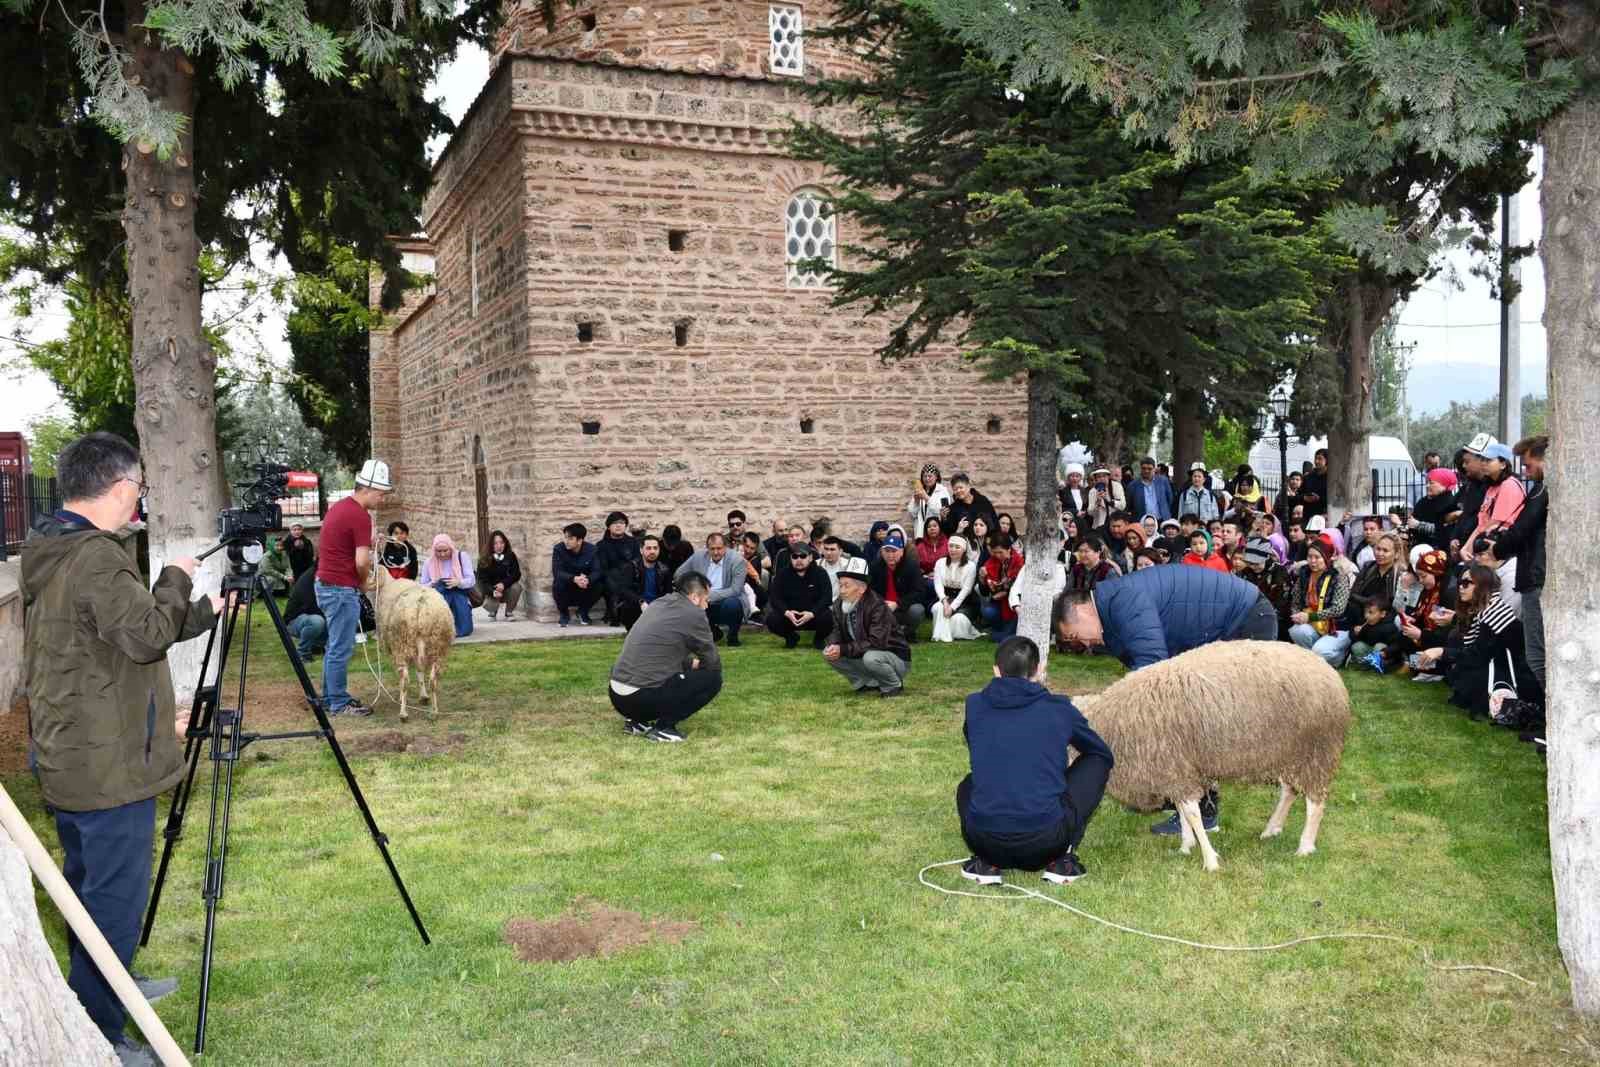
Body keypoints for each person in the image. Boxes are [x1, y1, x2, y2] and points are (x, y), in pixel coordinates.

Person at [21, 432, 225, 1063]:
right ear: (117, 487)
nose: (140, 497)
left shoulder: (53, 548)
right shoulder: (98, 557)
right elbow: (144, 635)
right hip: (106, 764)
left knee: (88, 890)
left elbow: (119, 632)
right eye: (138, 485)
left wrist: (202, 609)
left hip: (69, 752)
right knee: (111, 902)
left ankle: (113, 985)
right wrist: (174, 576)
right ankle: (100, 1034)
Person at [1051, 564, 1277, 835]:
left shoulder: (1123, 602)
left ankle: (1204, 812)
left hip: (1246, 620)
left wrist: (1118, 711)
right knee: (1176, 719)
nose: (1083, 644)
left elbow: (1151, 671)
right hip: (1224, 627)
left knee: (1200, 724)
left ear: (1082, 610)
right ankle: (1170, 795)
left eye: (1076, 636)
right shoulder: (1112, 611)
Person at [956, 637, 1114, 887]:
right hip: (1048, 843)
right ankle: (1063, 859)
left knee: (968, 784)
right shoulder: (1059, 708)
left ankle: (986, 863)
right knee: (1098, 760)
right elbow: (1099, 752)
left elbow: (974, 740)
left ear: (996, 670)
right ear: (1039, 670)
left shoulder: (974, 705)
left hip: (983, 841)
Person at [608, 571, 724, 742]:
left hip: (617, 695)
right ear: (694, 597)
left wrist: (690, 664)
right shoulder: (695, 614)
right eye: (706, 599)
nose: (707, 605)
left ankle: (636, 722)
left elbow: (662, 651)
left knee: (659, 671)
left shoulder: (658, 604)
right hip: (641, 698)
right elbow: (712, 663)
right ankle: (664, 728)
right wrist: (699, 668)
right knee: (713, 679)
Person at [316, 459, 393, 717]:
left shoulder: (341, 508)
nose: (382, 500)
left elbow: (346, 544)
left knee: (334, 645)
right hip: (340, 589)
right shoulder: (360, 516)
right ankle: (338, 702)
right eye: (381, 494)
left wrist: (370, 542)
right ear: (367, 489)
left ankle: (330, 697)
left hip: (327, 584)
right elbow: (361, 561)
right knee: (341, 647)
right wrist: (363, 581)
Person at [1416, 564, 1540, 720]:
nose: (1461, 587)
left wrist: (1441, 652)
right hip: (1502, 667)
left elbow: (1477, 654)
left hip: (1516, 676)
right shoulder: (1490, 608)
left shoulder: (1493, 614)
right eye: (1460, 582)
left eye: (1467, 583)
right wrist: (1454, 619)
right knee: (1458, 665)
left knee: (1464, 673)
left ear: (1482, 586)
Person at [1490, 434, 1548, 686]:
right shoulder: (1542, 490)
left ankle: (1551, 716)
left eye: (1527, 463)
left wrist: (1498, 547)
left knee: (1537, 657)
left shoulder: (1543, 490)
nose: (1525, 470)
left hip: (1535, 578)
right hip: (1534, 576)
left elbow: (1520, 530)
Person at [823, 558, 911, 697]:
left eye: (846, 586)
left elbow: (877, 642)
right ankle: (866, 683)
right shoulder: (839, 604)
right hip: (863, 652)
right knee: (829, 653)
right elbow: (835, 630)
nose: (842, 591)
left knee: (871, 658)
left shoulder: (877, 606)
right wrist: (834, 645)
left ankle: (892, 685)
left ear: (862, 588)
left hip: (894, 657)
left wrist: (844, 649)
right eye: (840, 585)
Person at [675, 531, 748, 645]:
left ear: (726, 547)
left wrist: (710, 596)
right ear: (707, 548)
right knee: (688, 603)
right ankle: (713, 632)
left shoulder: (737, 560)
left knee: (733, 604)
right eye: (712, 549)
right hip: (704, 601)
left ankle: (733, 635)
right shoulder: (699, 556)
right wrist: (692, 590)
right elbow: (679, 574)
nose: (716, 552)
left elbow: (736, 590)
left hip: (726, 599)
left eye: (719, 548)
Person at [1288, 538, 1352, 667]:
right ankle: (1314, 660)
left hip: (1337, 627)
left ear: (1327, 558)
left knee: (1320, 650)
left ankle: (1341, 657)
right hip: (1314, 624)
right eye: (1309, 556)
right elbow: (1295, 600)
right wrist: (1297, 615)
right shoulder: (1305, 574)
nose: (1312, 561)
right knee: (1296, 630)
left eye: (1317, 557)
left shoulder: (1338, 576)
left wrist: (1310, 617)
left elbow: (1338, 609)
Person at [1462, 441, 1527, 563]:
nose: (1484, 464)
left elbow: (1495, 522)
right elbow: (1482, 523)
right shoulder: (1492, 487)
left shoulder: (1509, 485)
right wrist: (1467, 547)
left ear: (1503, 464)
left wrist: (1469, 547)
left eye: (1489, 460)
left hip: (1503, 550)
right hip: (1489, 546)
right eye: (1483, 460)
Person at [765, 540, 834, 649]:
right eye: (795, 557)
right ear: (790, 558)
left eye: (803, 556)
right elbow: (775, 597)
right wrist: (786, 612)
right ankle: (791, 637)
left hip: (813, 616)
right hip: (791, 616)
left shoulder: (820, 573)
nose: (799, 560)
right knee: (772, 619)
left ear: (810, 558)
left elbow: (827, 598)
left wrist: (812, 613)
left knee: (828, 617)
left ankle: (819, 639)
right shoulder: (783, 574)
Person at [869, 530, 929, 642]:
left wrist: (898, 603)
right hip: (882, 608)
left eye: (894, 551)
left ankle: (907, 633)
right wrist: (882, 603)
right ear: (882, 552)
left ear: (901, 552)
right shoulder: (875, 567)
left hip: (903, 608)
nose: (890, 555)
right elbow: (871, 590)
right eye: (887, 551)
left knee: (917, 610)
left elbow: (920, 592)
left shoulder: (911, 566)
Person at [610, 533, 674, 631]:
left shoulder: (664, 569)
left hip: (657, 607)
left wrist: (658, 606)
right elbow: (623, 590)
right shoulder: (631, 567)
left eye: (655, 548)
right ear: (641, 550)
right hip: (637, 607)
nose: (652, 551)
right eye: (648, 548)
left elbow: (668, 593)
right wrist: (641, 602)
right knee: (628, 607)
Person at [417, 533, 476, 638]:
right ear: (434, 550)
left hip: (458, 593)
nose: (443, 554)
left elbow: (471, 580)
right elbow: (422, 586)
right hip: (438, 596)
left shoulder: (462, 557)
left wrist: (458, 582)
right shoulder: (429, 562)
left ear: (451, 548)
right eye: (439, 551)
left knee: (465, 628)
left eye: (445, 551)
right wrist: (433, 583)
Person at [1237, 537, 1291, 639]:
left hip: (1273, 619)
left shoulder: (1279, 572)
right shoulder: (1245, 572)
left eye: (1256, 563)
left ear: (1267, 557)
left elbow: (1282, 603)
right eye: (1249, 563)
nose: (1253, 567)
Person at [931, 535, 981, 642]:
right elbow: (938, 584)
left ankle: (949, 633)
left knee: (958, 620)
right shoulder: (940, 563)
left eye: (957, 547)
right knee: (937, 607)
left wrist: (952, 608)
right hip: (946, 598)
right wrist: (944, 602)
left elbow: (966, 591)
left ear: (963, 549)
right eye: (951, 546)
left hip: (965, 602)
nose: (953, 550)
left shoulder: (970, 566)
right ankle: (939, 635)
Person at [594, 511, 641, 623]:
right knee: (610, 581)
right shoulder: (601, 545)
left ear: (625, 526)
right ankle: (613, 610)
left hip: (630, 575)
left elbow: (637, 561)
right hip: (610, 579)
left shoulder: (633, 542)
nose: (618, 525)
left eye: (622, 523)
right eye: (615, 523)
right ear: (609, 527)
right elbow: (602, 567)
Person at [552, 522, 601, 626]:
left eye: (570, 539)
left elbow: (597, 571)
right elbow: (557, 571)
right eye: (565, 538)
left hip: (584, 586)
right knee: (558, 583)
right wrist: (574, 578)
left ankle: (583, 612)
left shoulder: (592, 550)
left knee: (600, 584)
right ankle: (564, 614)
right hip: (567, 585)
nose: (566, 541)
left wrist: (588, 579)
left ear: (579, 540)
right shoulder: (559, 549)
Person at [978, 533, 1025, 641]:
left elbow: (1018, 587)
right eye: (995, 552)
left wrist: (1005, 592)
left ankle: (1005, 632)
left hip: (1015, 605)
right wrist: (982, 579)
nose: (998, 555)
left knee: (1000, 638)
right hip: (999, 603)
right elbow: (984, 592)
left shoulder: (1019, 563)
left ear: (1009, 549)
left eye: (1000, 552)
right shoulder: (991, 562)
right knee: (988, 611)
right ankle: (1000, 629)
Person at [1406, 467, 1460, 547]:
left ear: (1444, 485)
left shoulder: (1450, 504)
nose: (1427, 486)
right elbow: (1412, 521)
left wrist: (1419, 525)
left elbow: (1445, 531)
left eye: (1431, 483)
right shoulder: (1424, 501)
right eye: (1427, 482)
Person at [477, 530, 523, 621]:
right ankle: (493, 611)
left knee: (517, 587)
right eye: (495, 543)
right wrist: (493, 591)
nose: (499, 546)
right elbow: (482, 580)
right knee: (491, 602)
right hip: (491, 591)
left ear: (505, 543)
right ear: (491, 545)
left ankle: (509, 612)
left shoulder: (510, 555)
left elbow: (516, 574)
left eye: (501, 542)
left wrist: (504, 584)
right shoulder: (484, 558)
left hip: (506, 589)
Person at [285, 566, 328, 660]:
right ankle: (303, 653)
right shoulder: (310, 578)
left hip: (313, 616)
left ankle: (318, 645)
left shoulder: (325, 575)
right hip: (294, 620)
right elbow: (311, 606)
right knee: (317, 621)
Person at [942, 473, 996, 540]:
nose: (958, 491)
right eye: (955, 489)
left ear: (968, 486)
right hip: (965, 545)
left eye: (961, 487)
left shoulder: (982, 501)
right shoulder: (953, 508)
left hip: (985, 544)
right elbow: (948, 533)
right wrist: (944, 519)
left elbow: (994, 522)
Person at [908, 463, 953, 537]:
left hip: (937, 531)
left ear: (936, 477)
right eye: (925, 476)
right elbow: (913, 514)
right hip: (922, 533)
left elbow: (943, 511)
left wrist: (926, 498)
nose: (927, 479)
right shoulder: (920, 490)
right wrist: (916, 501)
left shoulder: (942, 491)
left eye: (930, 476)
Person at [1126, 456, 1173, 523]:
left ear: (1154, 469)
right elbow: (1129, 506)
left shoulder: (1163, 481)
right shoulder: (1132, 485)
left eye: (1149, 469)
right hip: (1142, 522)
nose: (1146, 471)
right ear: (1140, 469)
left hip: (1162, 520)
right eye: (1144, 468)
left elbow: (1170, 499)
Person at [1084, 466, 1125, 531]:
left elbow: (1122, 506)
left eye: (1104, 476)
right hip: (1100, 524)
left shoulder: (1117, 486)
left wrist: (1109, 500)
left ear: (1108, 476)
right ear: (1096, 479)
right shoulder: (1092, 491)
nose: (1102, 479)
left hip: (1116, 524)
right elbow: (1090, 512)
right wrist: (1098, 502)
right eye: (1099, 477)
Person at [1300, 448, 1330, 518]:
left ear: (1327, 460)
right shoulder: (1308, 477)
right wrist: (1305, 497)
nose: (1316, 461)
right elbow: (1301, 493)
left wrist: (1319, 498)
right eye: (1315, 458)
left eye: (1320, 459)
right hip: (1308, 513)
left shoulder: (1331, 478)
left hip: (1324, 514)